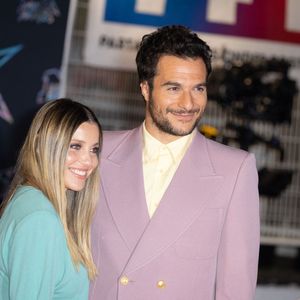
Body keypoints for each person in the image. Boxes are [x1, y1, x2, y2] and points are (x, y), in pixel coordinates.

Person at [90, 25, 260, 300]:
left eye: (198, 88)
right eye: (174, 88)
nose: (188, 103)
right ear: (146, 88)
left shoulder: (234, 170)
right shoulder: (96, 151)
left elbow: (236, 287)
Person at [0, 98, 102, 299]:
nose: (88, 160)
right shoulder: (40, 219)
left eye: (94, 149)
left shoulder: (28, 198)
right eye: (75, 146)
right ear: (41, 145)